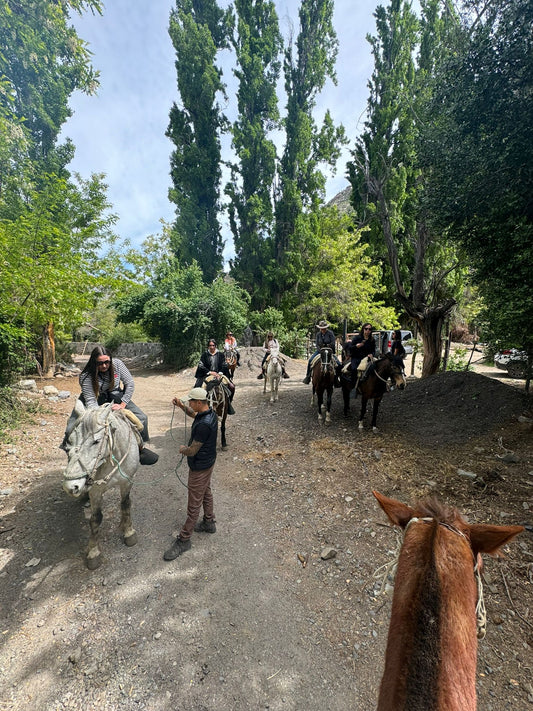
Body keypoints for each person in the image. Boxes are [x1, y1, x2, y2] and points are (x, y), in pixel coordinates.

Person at [60, 346, 158, 465]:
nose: (104, 366)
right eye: (100, 363)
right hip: (94, 399)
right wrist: (102, 415)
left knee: (142, 418)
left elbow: (129, 384)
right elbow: (91, 401)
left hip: (116, 396)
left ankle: (140, 448)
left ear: (111, 360)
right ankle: (73, 458)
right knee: (71, 428)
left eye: (107, 362)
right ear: (94, 362)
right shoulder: (86, 376)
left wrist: (122, 405)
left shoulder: (118, 364)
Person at [163, 387, 218, 561]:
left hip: (199, 467)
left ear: (199, 402)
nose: (189, 404)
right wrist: (180, 405)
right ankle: (209, 522)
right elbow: (194, 415)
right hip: (208, 463)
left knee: (194, 504)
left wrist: (183, 450)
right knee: (206, 492)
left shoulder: (203, 425)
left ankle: (184, 539)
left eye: (190, 402)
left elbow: (193, 451)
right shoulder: (209, 414)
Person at [194, 339, 235, 414]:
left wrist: (219, 373)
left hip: (219, 374)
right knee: (197, 387)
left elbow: (224, 364)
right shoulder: (204, 355)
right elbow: (200, 365)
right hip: (207, 375)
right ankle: (198, 408)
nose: (211, 347)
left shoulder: (221, 354)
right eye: (210, 345)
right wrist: (210, 372)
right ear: (208, 346)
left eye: (213, 345)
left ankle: (228, 404)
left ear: (215, 346)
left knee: (232, 387)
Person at [302, 320, 341, 385]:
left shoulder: (330, 333)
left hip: (329, 351)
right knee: (310, 360)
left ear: (326, 328)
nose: (323, 330)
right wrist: (320, 350)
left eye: (324, 328)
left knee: (338, 364)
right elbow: (317, 344)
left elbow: (333, 342)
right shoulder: (318, 334)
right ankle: (308, 376)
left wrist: (329, 346)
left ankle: (336, 378)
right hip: (320, 351)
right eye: (321, 329)